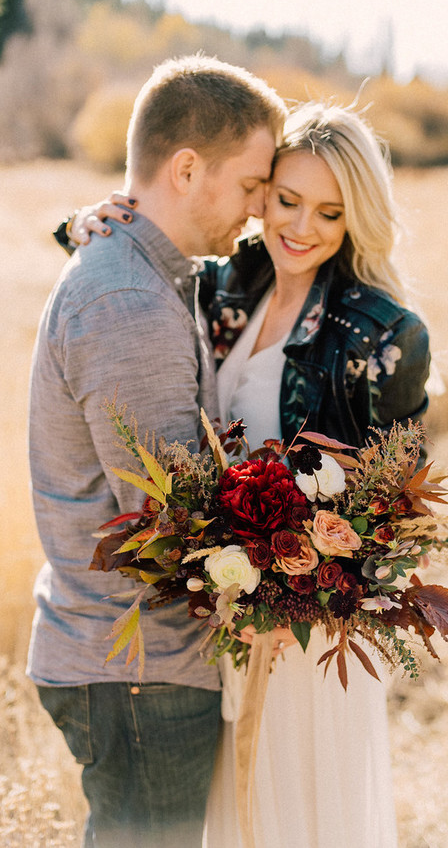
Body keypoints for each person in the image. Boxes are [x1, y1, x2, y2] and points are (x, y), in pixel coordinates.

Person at [62, 101, 431, 847]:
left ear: (356, 215)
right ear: (261, 192)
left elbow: (402, 515)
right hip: (224, 621)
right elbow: (135, 270)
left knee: (303, 818)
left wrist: (299, 569)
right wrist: (91, 222)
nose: (301, 228)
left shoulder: (382, 333)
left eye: (330, 212)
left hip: (307, 631)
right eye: (286, 201)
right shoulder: (235, 282)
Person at [28, 54, 286, 848]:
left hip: (134, 660)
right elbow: (172, 527)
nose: (256, 211)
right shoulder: (129, 300)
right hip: (137, 666)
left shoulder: (148, 274)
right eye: (250, 185)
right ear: (185, 168)